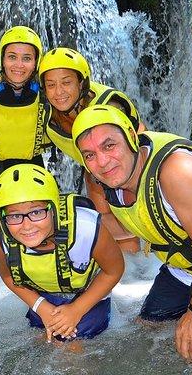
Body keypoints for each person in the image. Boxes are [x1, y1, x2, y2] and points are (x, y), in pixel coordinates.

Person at [71, 104, 192, 370]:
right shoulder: (101, 179)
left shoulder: (176, 172)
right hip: (185, 263)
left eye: (109, 146)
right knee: (149, 327)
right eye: (90, 154)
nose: (102, 162)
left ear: (130, 136)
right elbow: (121, 229)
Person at [0, 164, 124, 342]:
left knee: (73, 346)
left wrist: (76, 309)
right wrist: (41, 306)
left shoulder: (86, 228)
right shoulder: (0, 238)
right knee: (44, 341)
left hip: (89, 297)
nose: (27, 225)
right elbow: (8, 277)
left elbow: (114, 270)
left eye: (37, 212)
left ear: (53, 209)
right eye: (14, 216)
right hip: (42, 298)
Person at [39, 47, 145, 253]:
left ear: (81, 83)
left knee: (129, 216)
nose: (59, 92)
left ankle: (140, 266)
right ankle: (127, 271)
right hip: (95, 170)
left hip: (128, 166)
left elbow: (135, 143)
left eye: (66, 82)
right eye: (51, 85)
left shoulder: (108, 107)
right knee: (108, 220)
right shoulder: (45, 114)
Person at [0, 26, 51, 232]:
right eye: (12, 57)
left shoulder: (51, 96)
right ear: (2, 60)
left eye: (27, 58)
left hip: (35, 171)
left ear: (36, 63)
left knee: (37, 238)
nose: (19, 65)